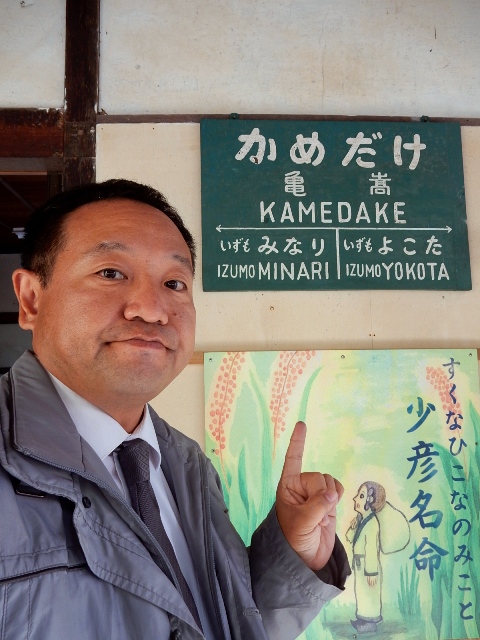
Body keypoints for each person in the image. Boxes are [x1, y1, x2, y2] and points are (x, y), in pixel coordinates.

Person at [0, 179, 350, 640]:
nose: (152, 310)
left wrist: (291, 555)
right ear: (31, 299)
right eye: (111, 273)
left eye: (173, 283)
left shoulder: (187, 465)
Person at [345, 481, 410, 634]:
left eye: (361, 496)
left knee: (370, 595)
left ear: (370, 501)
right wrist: (353, 526)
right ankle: (362, 619)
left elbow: (371, 549)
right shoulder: (361, 519)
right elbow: (349, 538)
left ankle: (371, 623)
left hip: (369, 566)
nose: (355, 499)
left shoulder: (372, 523)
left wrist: (371, 572)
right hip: (361, 565)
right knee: (362, 593)